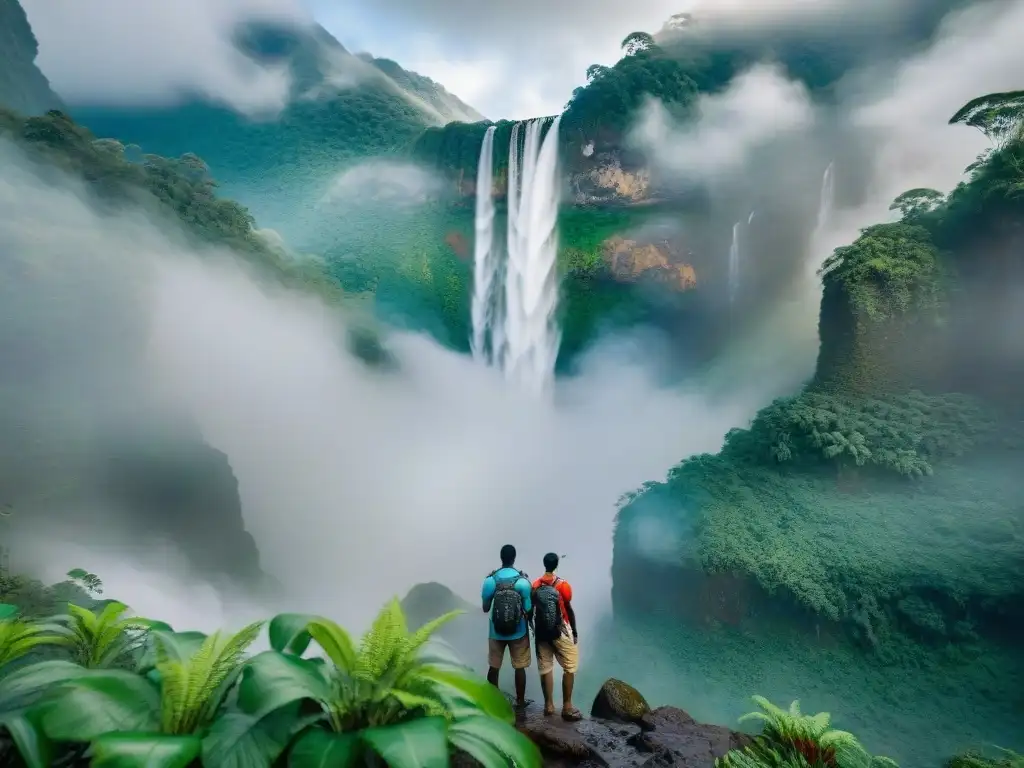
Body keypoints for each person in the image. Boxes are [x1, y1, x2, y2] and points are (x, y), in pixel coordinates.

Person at [481, 544, 533, 707]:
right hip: (518, 632)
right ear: (514, 558)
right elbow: (528, 608)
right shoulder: (523, 582)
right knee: (520, 667)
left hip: (496, 632)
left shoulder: (490, 581)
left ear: (501, 558)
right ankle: (520, 701)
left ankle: (493, 700)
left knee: (494, 666)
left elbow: (485, 608)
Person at [531, 552, 581, 720]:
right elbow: (568, 608)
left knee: (545, 667)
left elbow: (532, 609)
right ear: (556, 565)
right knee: (570, 666)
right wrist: (574, 631)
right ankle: (567, 706)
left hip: (542, 632)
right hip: (560, 630)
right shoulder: (563, 586)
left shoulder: (535, 585)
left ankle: (548, 706)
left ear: (544, 564)